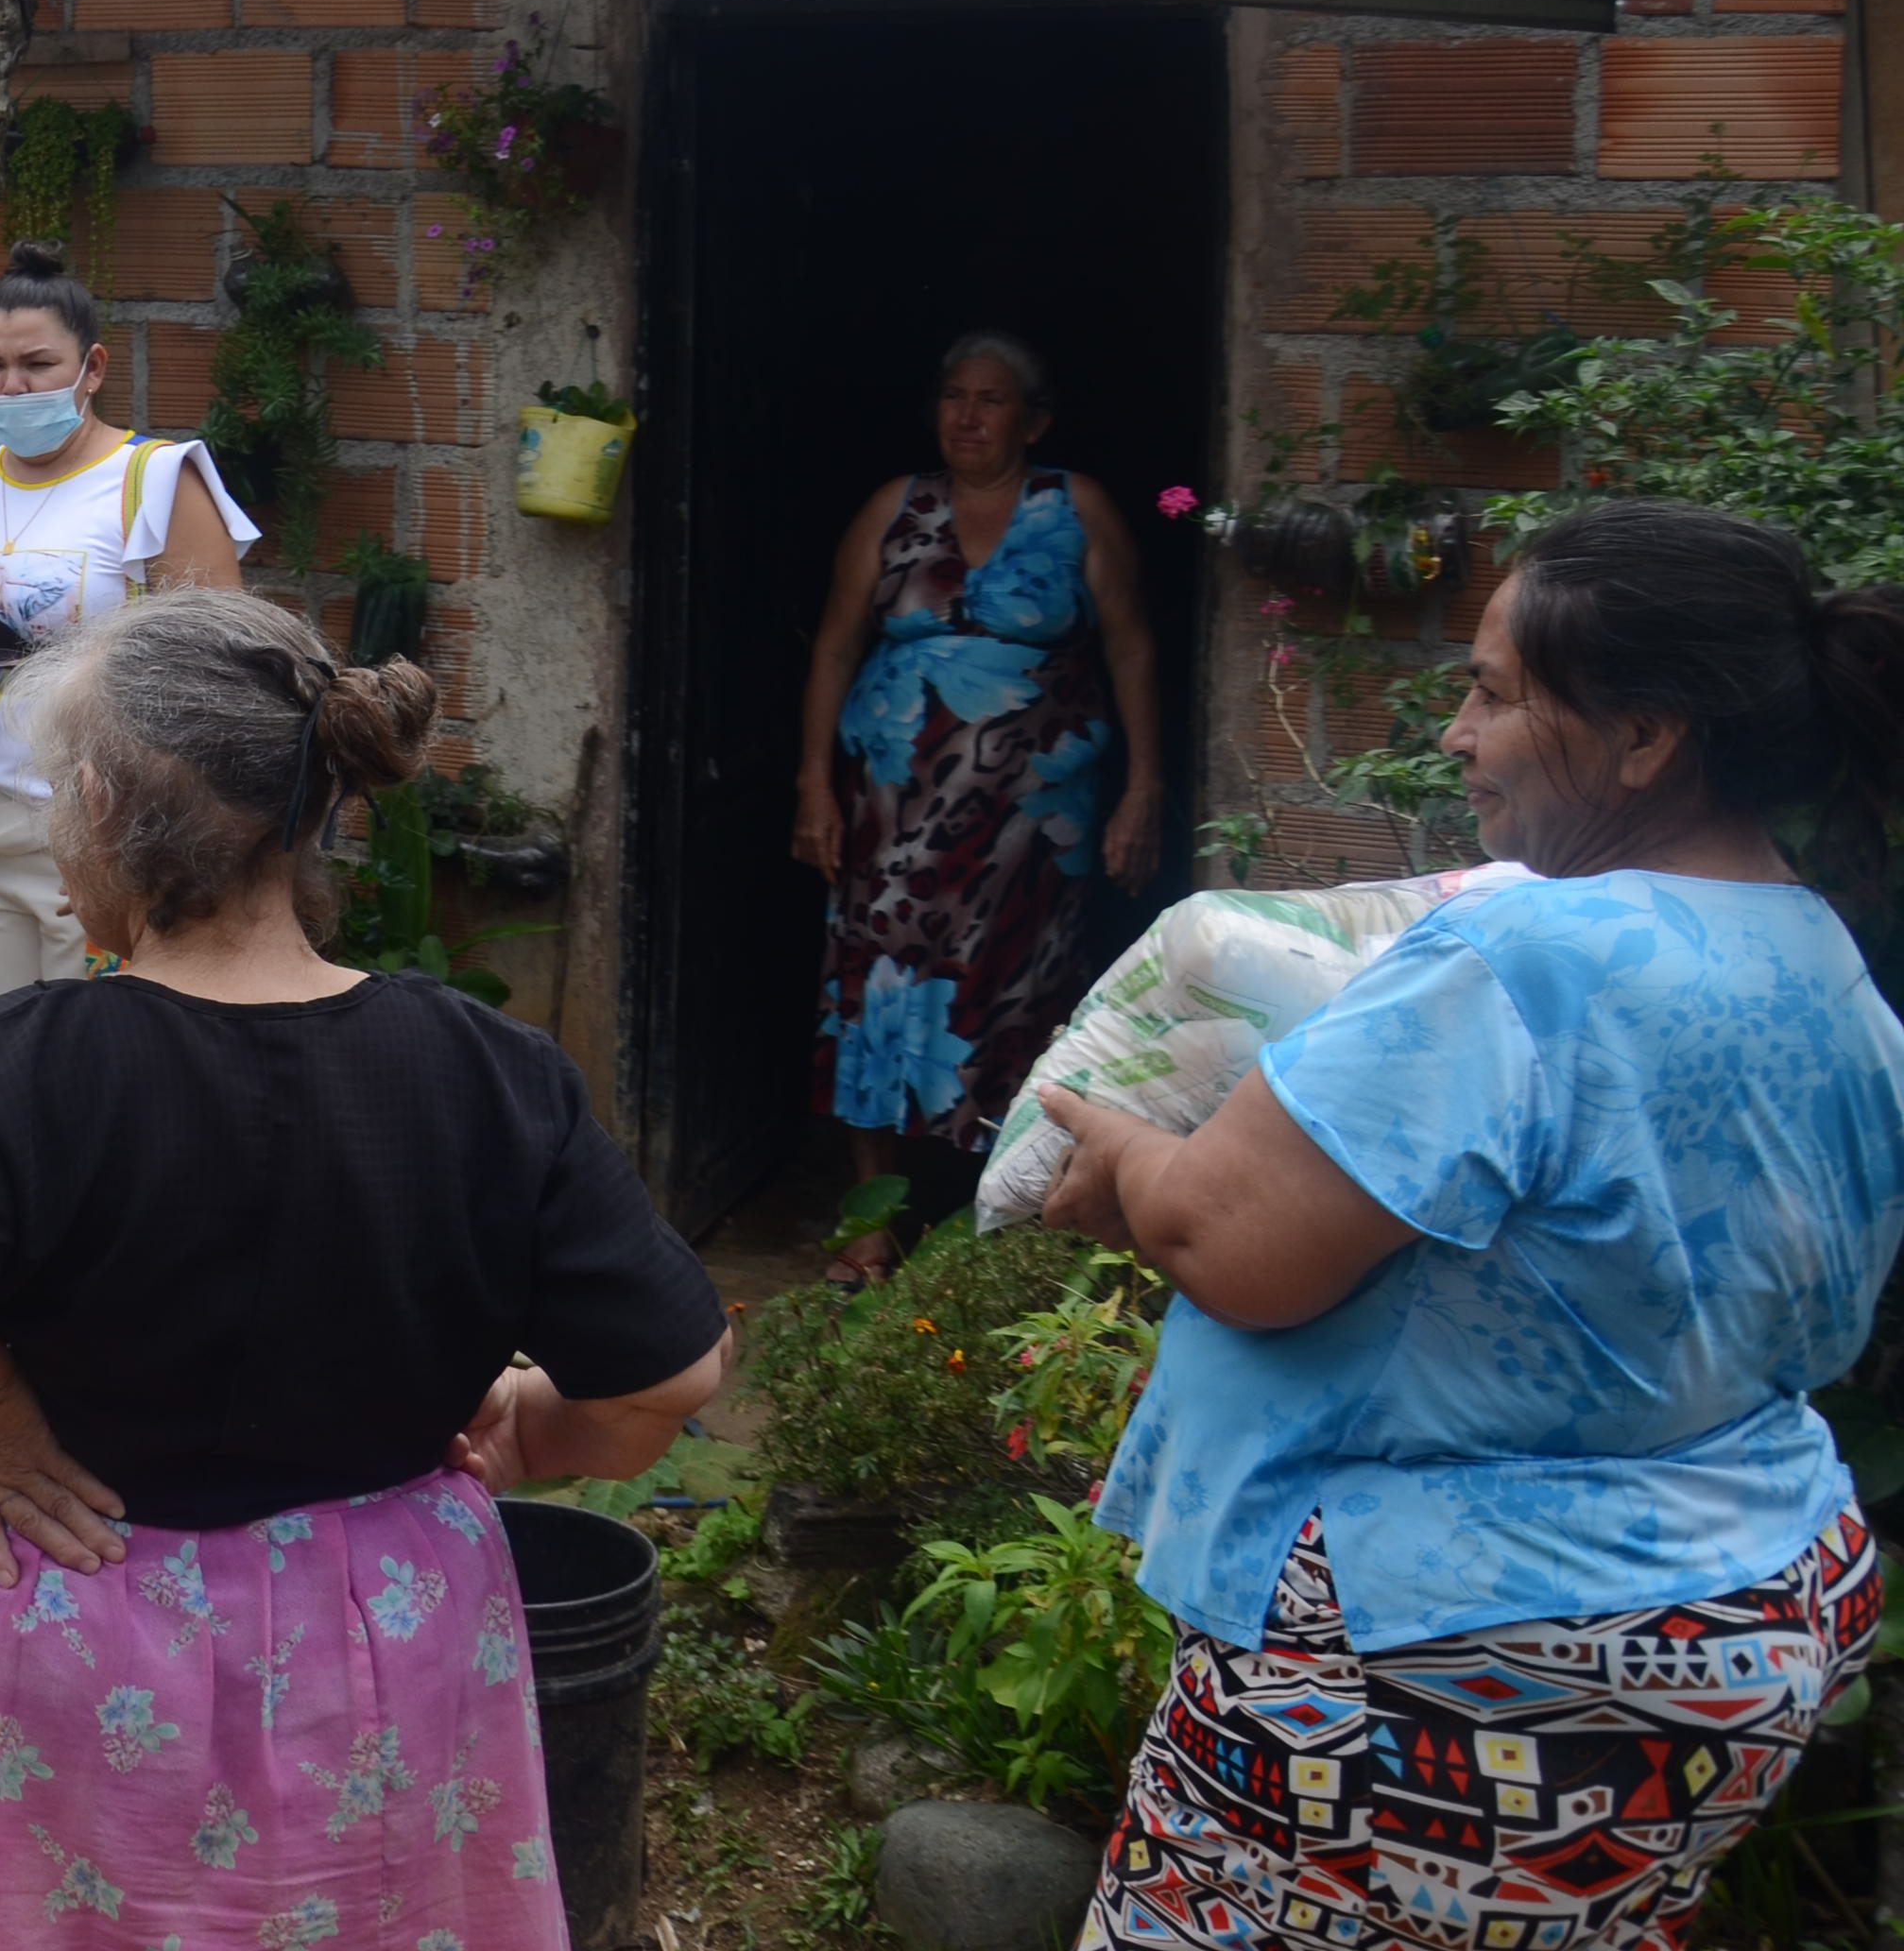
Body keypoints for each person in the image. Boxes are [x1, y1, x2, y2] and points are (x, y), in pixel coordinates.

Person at [0, 590, 727, 1948]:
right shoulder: (488, 1073)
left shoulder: (21, 1066)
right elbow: (671, 1377)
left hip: (61, 1607)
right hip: (376, 1648)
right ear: (315, 804)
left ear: (97, 803)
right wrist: (533, 1435)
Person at [1041, 499, 1904, 1951]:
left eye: (1493, 693)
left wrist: (1119, 1151)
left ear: (1647, 737)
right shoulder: (1829, 963)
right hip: (1744, 1602)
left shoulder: (1524, 956)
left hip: (1448, 1653)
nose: (1455, 734)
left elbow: (1227, 1245)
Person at [791, 329, 1159, 1279]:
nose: (966, 414)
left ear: (1032, 420)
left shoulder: (1074, 508)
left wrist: (1143, 787)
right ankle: (868, 1219)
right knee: (872, 986)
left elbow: (1127, 648)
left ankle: (1001, 1214)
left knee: (1018, 992)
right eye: (953, 395)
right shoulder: (893, 507)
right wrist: (811, 782)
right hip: (890, 816)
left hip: (1029, 828)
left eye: (990, 399)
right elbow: (834, 646)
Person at [0, 243, 251, 1006]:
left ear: (92, 368)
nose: (12, 386)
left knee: (100, 1085)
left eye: (37, 365)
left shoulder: (155, 482)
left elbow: (224, 690)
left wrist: (174, 852)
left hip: (111, 838)